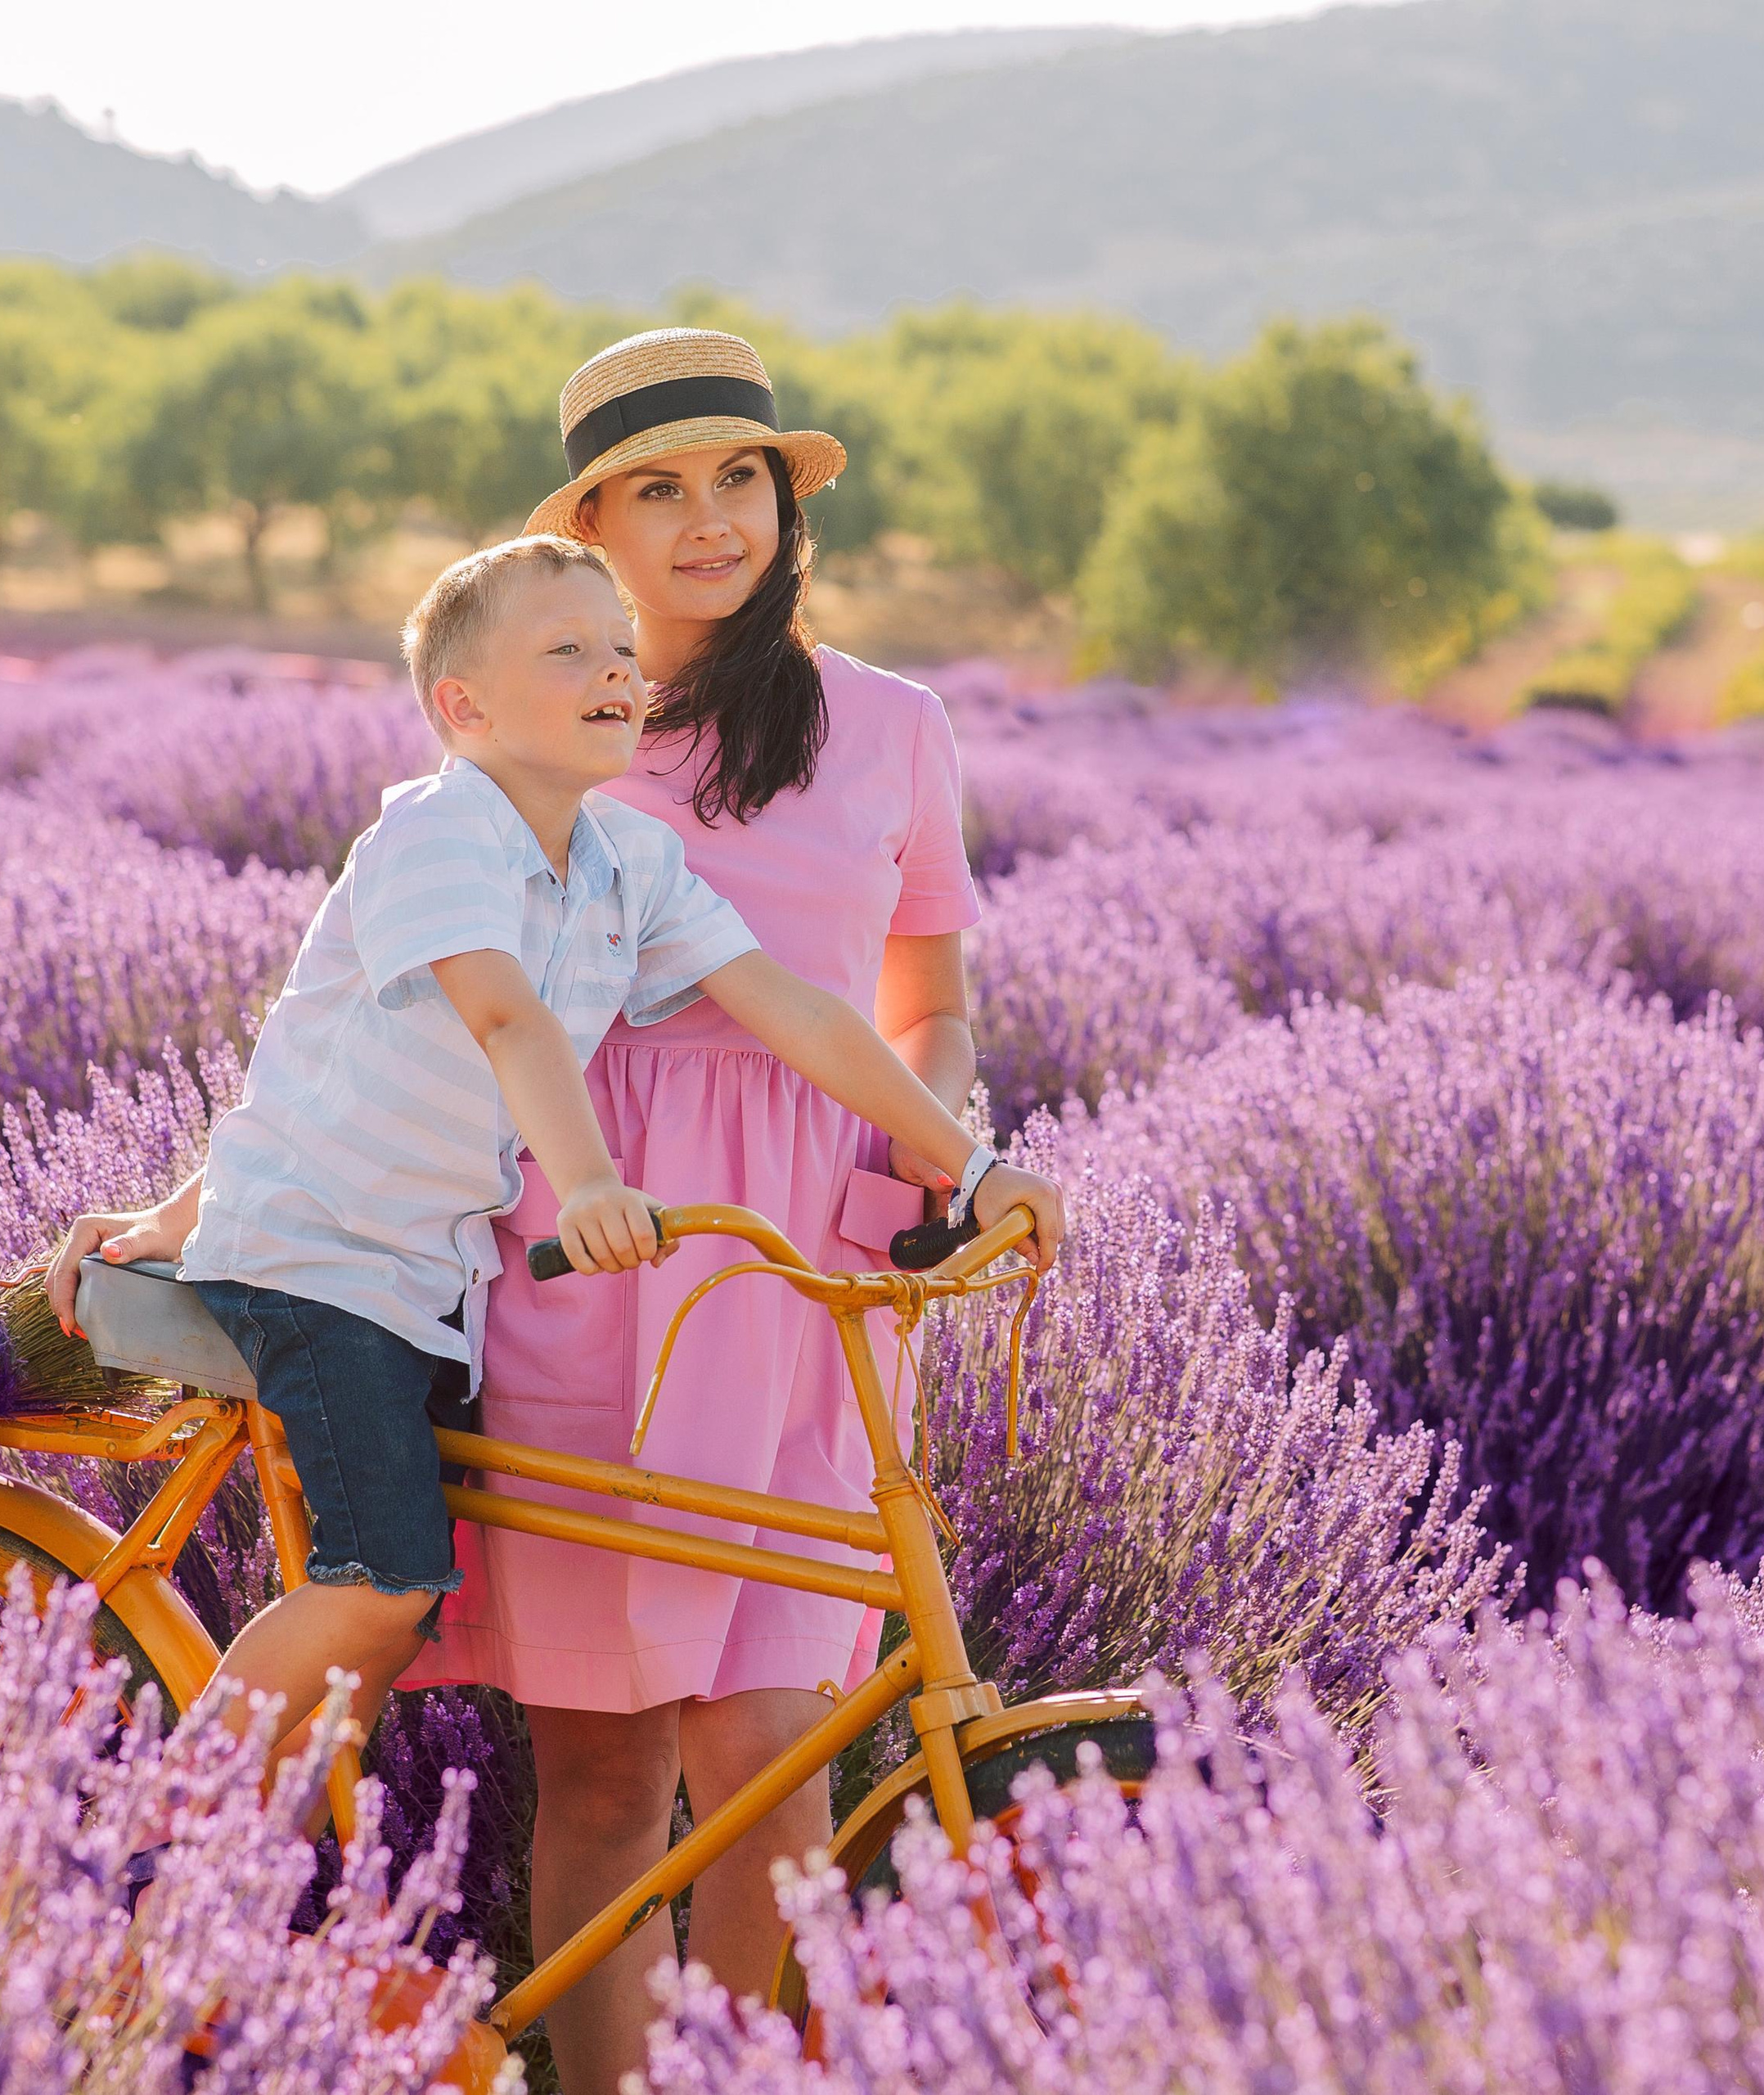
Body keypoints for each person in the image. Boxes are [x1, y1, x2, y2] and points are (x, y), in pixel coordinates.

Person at [46, 534, 1062, 1923]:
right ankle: (145, 1848)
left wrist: (977, 1160)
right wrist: (590, 1185)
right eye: (568, 654)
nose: (614, 675)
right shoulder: (436, 834)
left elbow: (801, 1009)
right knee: (387, 1581)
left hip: (438, 1274)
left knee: (409, 1634)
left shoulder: (625, 856)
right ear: (464, 708)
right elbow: (511, 1019)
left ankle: (275, 1909)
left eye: (621, 655)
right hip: (332, 1262)